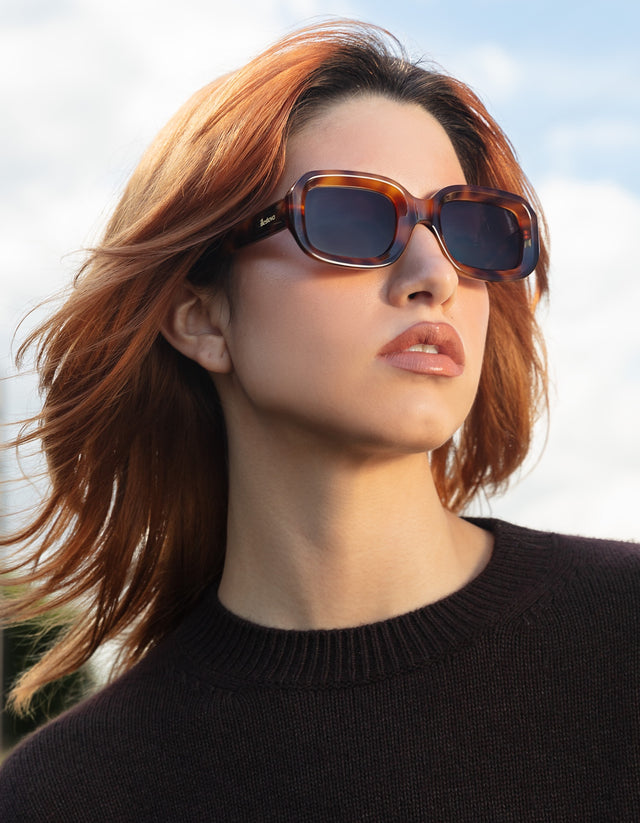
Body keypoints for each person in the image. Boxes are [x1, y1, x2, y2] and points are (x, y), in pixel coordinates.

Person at [1, 19, 638, 822]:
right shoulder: (63, 794)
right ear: (202, 318)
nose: (433, 274)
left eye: (469, 229)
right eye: (349, 219)